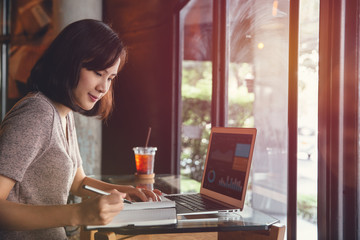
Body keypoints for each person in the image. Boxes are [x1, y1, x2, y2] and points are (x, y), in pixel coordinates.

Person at [0, 19, 161, 240]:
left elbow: (78, 182)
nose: (103, 87)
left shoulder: (63, 114)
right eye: (97, 72)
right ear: (69, 62)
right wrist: (78, 213)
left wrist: (125, 192)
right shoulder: (37, 114)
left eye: (110, 78)